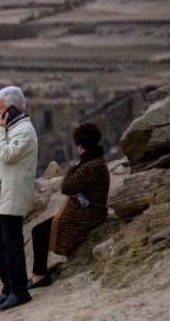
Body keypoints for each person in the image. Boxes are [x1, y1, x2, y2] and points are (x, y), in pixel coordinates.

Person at [28, 123, 110, 289]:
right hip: (87, 210)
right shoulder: (98, 161)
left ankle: (39, 276)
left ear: (80, 145)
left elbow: (66, 187)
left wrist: (73, 167)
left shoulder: (89, 166)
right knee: (41, 230)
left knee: (39, 231)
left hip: (85, 215)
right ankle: (39, 273)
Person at [0, 85, 39, 311]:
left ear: (12, 109)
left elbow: (6, 155)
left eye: (0, 107)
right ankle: (8, 288)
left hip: (11, 195)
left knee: (12, 244)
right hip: (2, 194)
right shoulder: (11, 128)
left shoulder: (24, 131)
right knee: (1, 243)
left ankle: (20, 291)